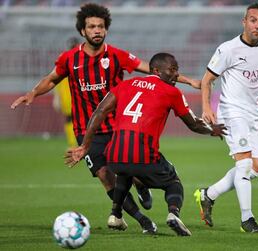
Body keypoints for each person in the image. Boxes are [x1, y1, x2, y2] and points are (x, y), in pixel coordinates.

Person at [10, 3, 199, 233]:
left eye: (100, 26)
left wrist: (188, 81)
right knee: (104, 176)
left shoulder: (117, 56)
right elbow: (51, 79)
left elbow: (155, 69)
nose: (97, 30)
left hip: (118, 127)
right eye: (91, 26)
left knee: (128, 167)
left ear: (106, 29)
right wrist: (32, 93)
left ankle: (139, 186)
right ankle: (141, 220)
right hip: (86, 130)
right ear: (83, 31)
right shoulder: (70, 59)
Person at [64, 52, 226, 236]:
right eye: (172, 70)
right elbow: (193, 124)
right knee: (174, 182)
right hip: (143, 155)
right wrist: (212, 130)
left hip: (114, 156)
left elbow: (99, 111)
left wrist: (85, 145)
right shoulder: (172, 92)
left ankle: (115, 215)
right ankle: (173, 214)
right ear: (156, 71)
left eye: (177, 70)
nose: (175, 75)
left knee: (125, 172)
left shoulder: (124, 85)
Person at [194, 3, 258, 233]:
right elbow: (207, 80)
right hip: (231, 112)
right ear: (244, 22)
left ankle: (208, 195)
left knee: (256, 168)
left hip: (253, 113)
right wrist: (206, 108)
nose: (257, 25)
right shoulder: (228, 49)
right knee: (243, 163)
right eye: (253, 20)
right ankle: (247, 220)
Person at [53, 37, 80, 147]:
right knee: (71, 118)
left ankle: (76, 143)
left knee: (77, 119)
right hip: (68, 94)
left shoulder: (82, 59)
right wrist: (56, 97)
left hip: (76, 94)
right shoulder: (64, 60)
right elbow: (56, 78)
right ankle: (73, 144)